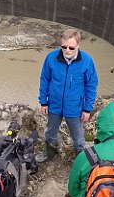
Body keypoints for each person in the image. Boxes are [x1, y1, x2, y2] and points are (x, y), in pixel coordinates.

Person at [37, 27, 99, 162]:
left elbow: (91, 86)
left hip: (75, 108)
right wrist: (43, 101)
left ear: (78, 45)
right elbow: (44, 79)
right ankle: (49, 154)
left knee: (78, 137)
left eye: (71, 48)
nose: (67, 51)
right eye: (64, 47)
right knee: (50, 132)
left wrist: (87, 108)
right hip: (54, 104)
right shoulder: (51, 58)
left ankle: (81, 161)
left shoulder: (87, 61)